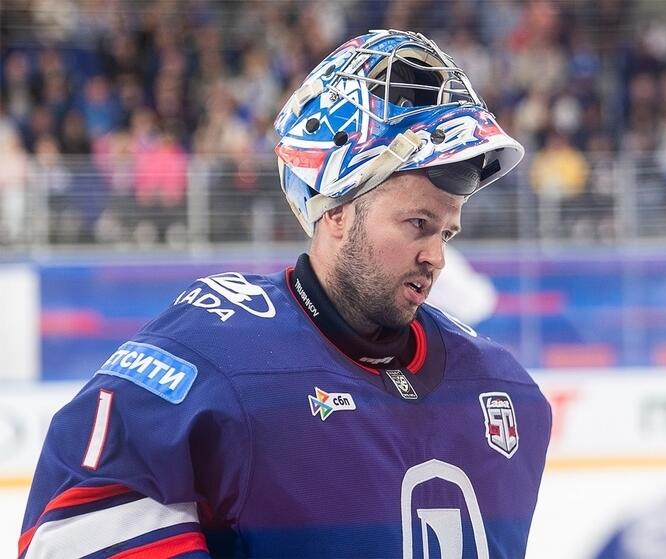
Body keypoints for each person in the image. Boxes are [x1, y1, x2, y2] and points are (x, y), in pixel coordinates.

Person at [20, 30, 551, 558]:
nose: (436, 257)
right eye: (417, 224)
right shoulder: (216, 351)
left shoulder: (504, 391)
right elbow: (71, 528)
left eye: (446, 233)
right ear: (337, 209)